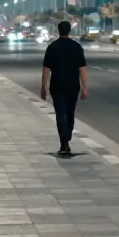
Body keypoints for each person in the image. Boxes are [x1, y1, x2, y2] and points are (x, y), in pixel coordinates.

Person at [40, 20, 87, 155]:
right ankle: (67, 136)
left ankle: (64, 142)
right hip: (73, 85)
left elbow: (46, 69)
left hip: (57, 84)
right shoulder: (76, 47)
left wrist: (43, 86)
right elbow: (82, 69)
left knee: (60, 113)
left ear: (58, 31)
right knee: (70, 112)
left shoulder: (52, 47)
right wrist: (84, 87)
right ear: (69, 30)